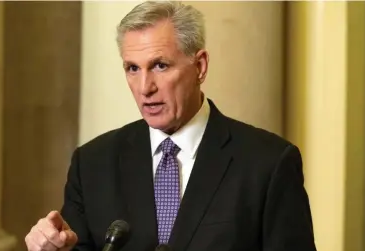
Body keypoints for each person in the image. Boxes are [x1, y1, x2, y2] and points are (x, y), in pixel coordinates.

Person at [25, 1, 316, 251]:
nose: (144, 87)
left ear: (199, 67)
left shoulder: (268, 163)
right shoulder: (92, 163)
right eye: (132, 68)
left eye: (160, 66)